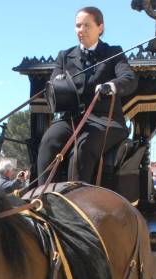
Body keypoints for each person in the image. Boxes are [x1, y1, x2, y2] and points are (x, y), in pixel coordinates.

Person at [36, 6, 137, 185]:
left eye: (87, 25)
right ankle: (43, 200)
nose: (81, 30)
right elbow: (52, 88)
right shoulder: (64, 56)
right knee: (49, 140)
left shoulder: (114, 52)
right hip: (71, 120)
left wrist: (112, 85)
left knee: (82, 149)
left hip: (105, 120)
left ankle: (74, 204)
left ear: (100, 27)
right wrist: (57, 84)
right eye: (78, 25)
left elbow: (129, 78)